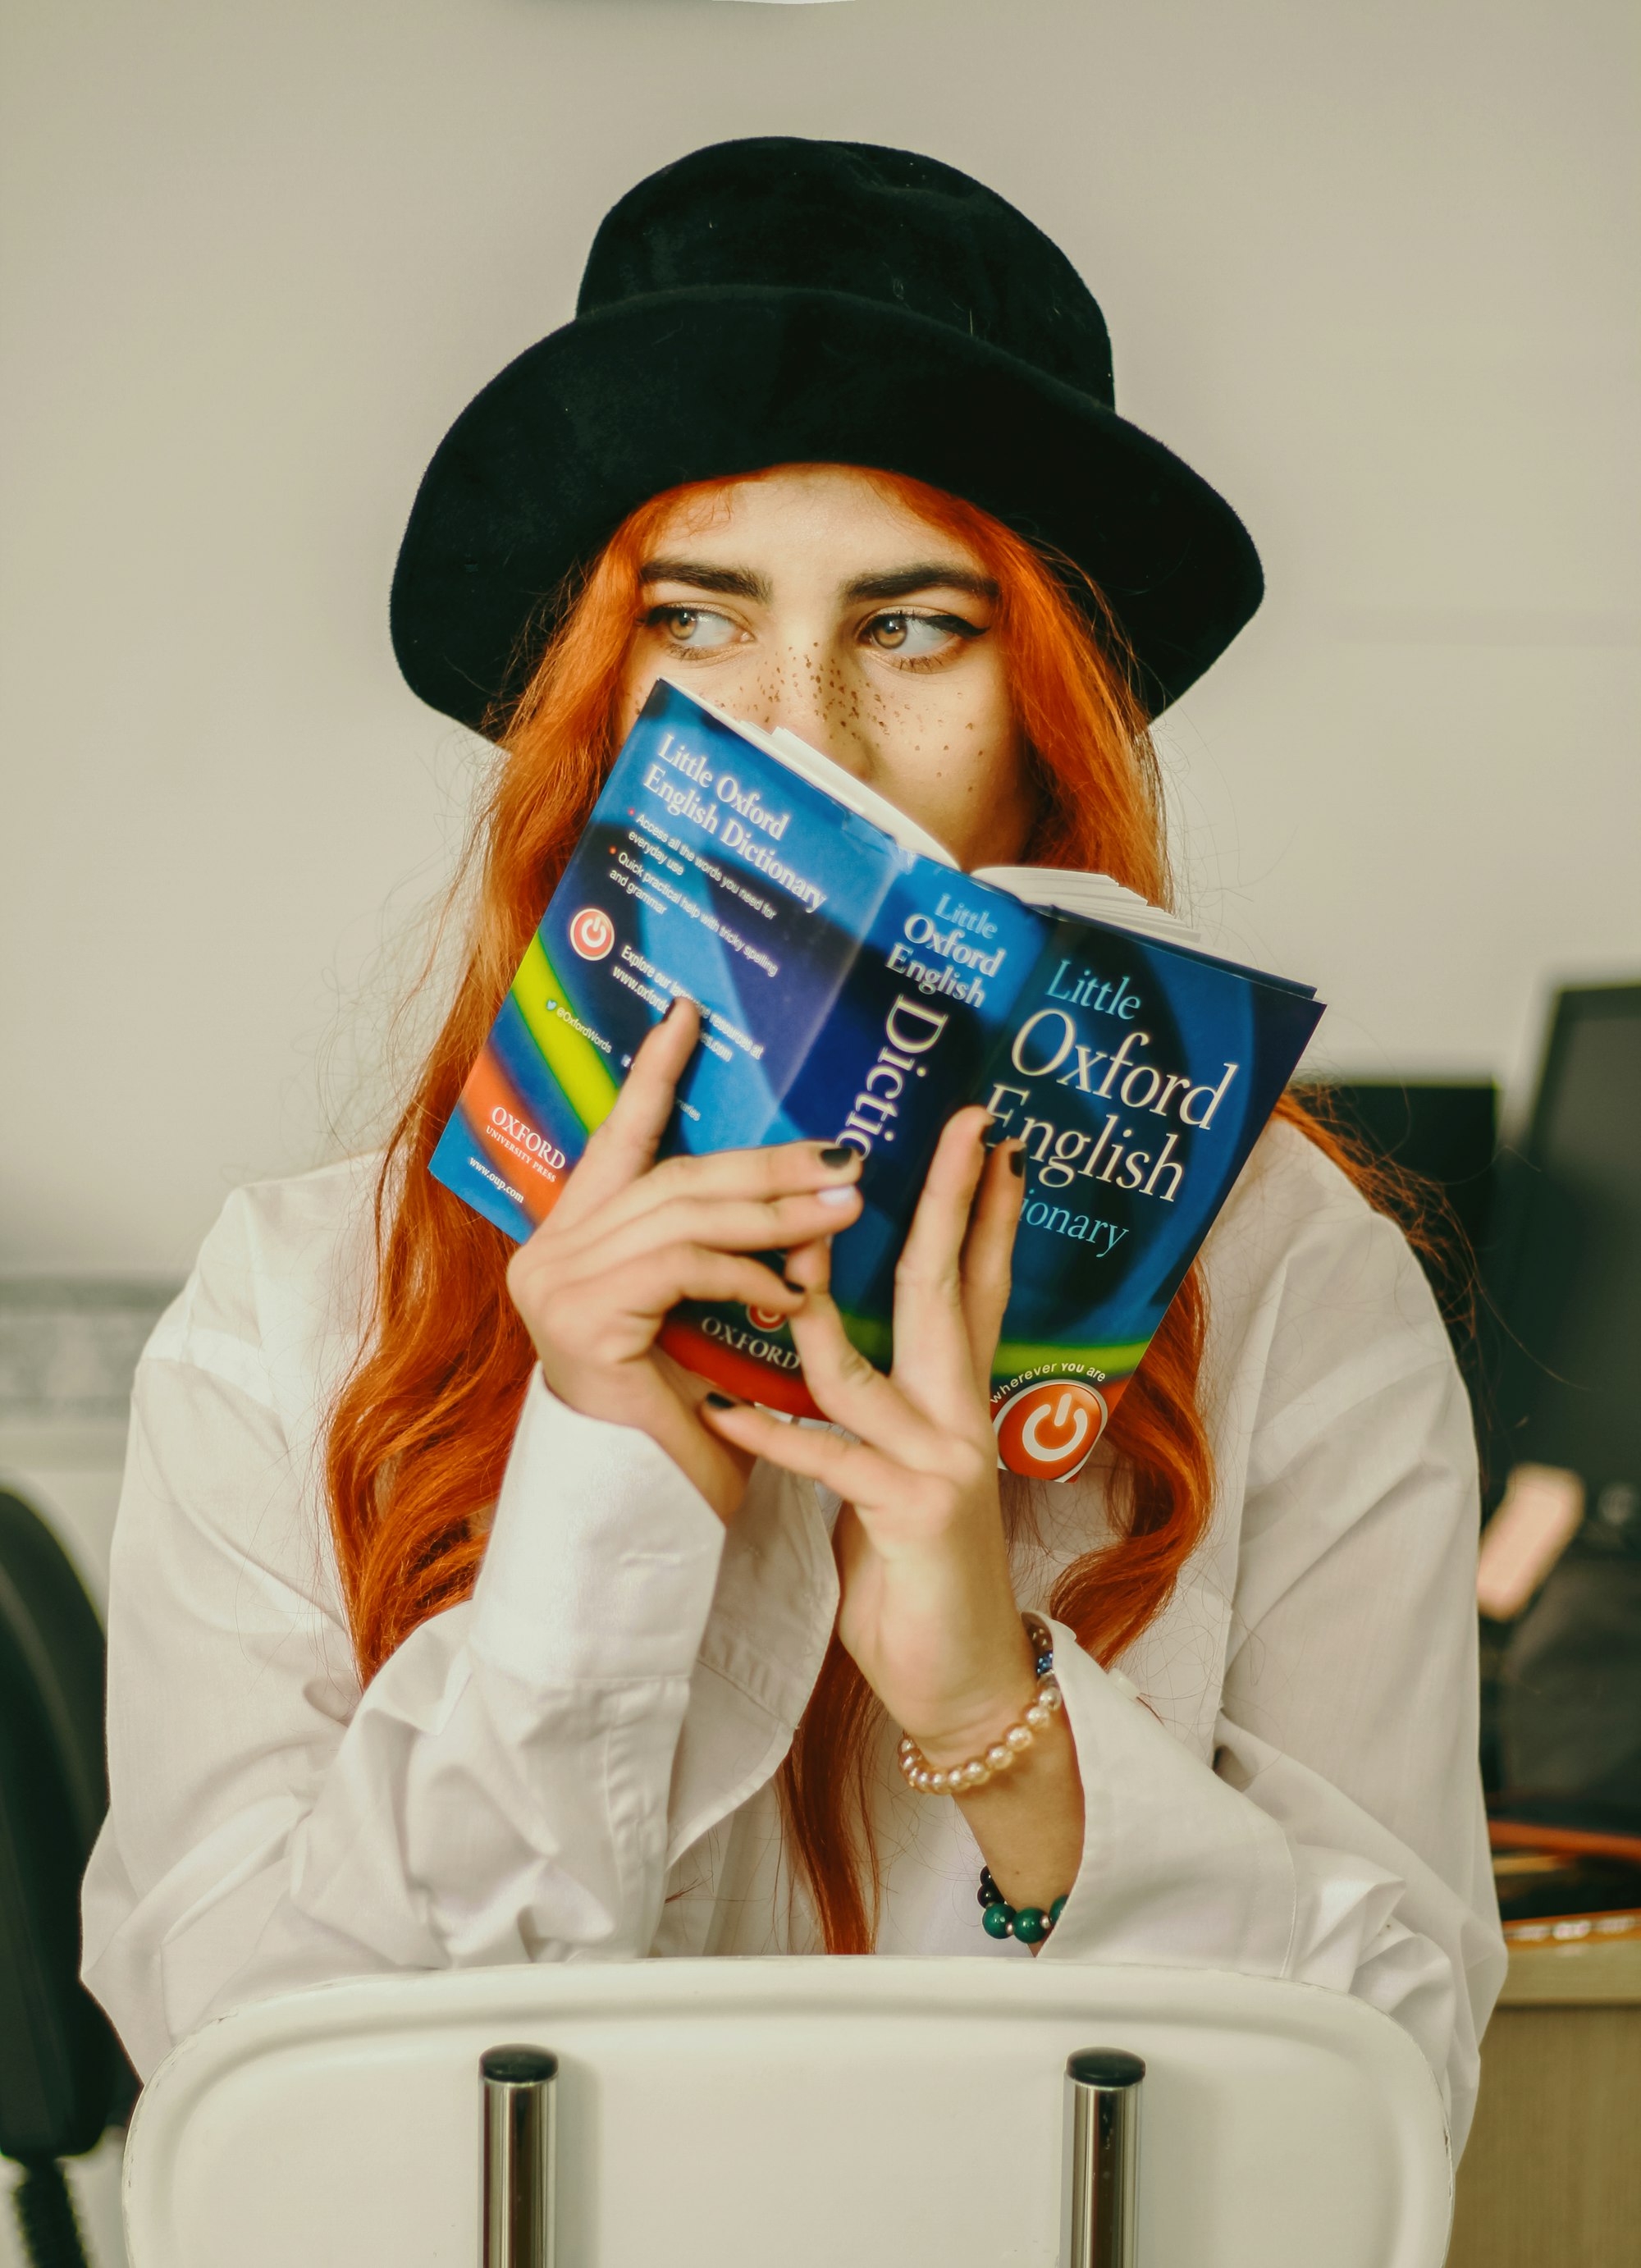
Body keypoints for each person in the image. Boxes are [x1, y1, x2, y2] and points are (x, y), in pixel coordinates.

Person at [82, 137, 1506, 2149]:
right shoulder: (296, 1301)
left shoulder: (1285, 1277)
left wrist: (989, 1705)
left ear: (1046, 703)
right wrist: (598, 1484)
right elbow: (251, 2099)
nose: (807, 729)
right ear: (594, 699)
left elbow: (1389, 2092)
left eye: (915, 626)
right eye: (698, 617)